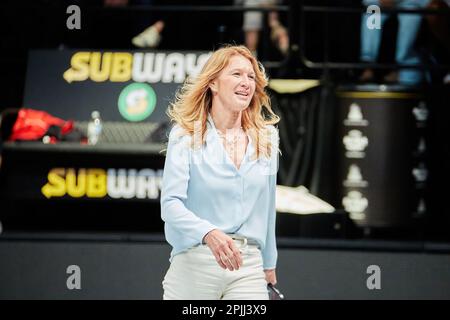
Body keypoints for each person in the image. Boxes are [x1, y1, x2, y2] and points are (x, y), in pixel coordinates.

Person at [160, 45, 280, 300]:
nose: (246, 82)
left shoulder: (267, 138)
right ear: (213, 83)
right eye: (237, 74)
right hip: (195, 261)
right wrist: (209, 232)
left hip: (247, 265)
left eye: (251, 77)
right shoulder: (185, 136)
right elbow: (170, 205)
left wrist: (269, 263)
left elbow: (268, 206)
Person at [360, 0, 431, 85]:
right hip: (380, 2)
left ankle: (403, 70)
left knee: (410, 15)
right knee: (373, 10)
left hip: (410, 2)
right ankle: (368, 66)